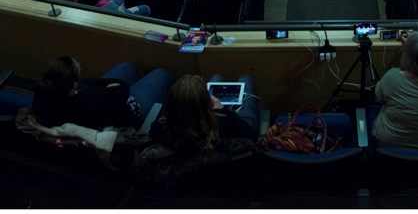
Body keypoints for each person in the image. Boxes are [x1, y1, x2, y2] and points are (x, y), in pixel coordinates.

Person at [31, 55, 174, 130]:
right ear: (74, 84)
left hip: (106, 101)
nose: (80, 66)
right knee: (163, 73)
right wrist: (107, 89)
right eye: (78, 68)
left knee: (128, 66)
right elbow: (123, 88)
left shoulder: (42, 95)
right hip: (128, 113)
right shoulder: (94, 100)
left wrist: (105, 88)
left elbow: (87, 82)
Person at [150, 74, 260, 152]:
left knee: (216, 78)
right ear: (208, 104)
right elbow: (252, 138)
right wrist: (224, 111)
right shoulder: (223, 125)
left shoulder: (159, 129)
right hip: (241, 130)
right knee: (245, 79)